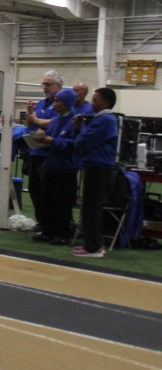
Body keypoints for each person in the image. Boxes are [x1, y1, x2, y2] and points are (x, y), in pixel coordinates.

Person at [69, 88, 119, 258]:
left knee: (92, 207)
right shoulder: (102, 119)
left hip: (98, 166)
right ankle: (92, 243)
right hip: (95, 164)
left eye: (96, 100)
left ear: (106, 103)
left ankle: (93, 246)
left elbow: (83, 142)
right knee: (91, 206)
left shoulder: (105, 120)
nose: (92, 103)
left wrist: (80, 128)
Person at [35, 88, 80, 245]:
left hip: (66, 168)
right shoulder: (55, 121)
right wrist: (41, 139)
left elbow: (74, 144)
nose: (54, 104)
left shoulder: (75, 121)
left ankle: (63, 234)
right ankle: (48, 231)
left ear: (67, 103)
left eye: (57, 101)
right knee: (47, 200)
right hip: (51, 165)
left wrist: (53, 141)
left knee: (63, 203)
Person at [26, 70, 64, 232]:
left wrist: (36, 120)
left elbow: (54, 122)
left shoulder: (61, 105)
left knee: (48, 191)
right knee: (34, 189)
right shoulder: (40, 104)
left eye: (48, 84)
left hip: (50, 154)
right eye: (43, 84)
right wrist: (30, 115)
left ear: (58, 85)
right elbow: (30, 125)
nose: (45, 87)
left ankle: (51, 224)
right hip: (35, 151)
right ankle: (41, 221)